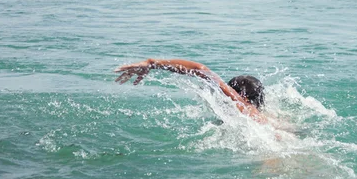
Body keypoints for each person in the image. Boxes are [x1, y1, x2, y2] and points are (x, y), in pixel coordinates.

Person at [114, 58, 267, 123]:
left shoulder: (242, 106)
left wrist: (152, 63)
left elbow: (202, 70)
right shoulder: (263, 117)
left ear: (242, 96)